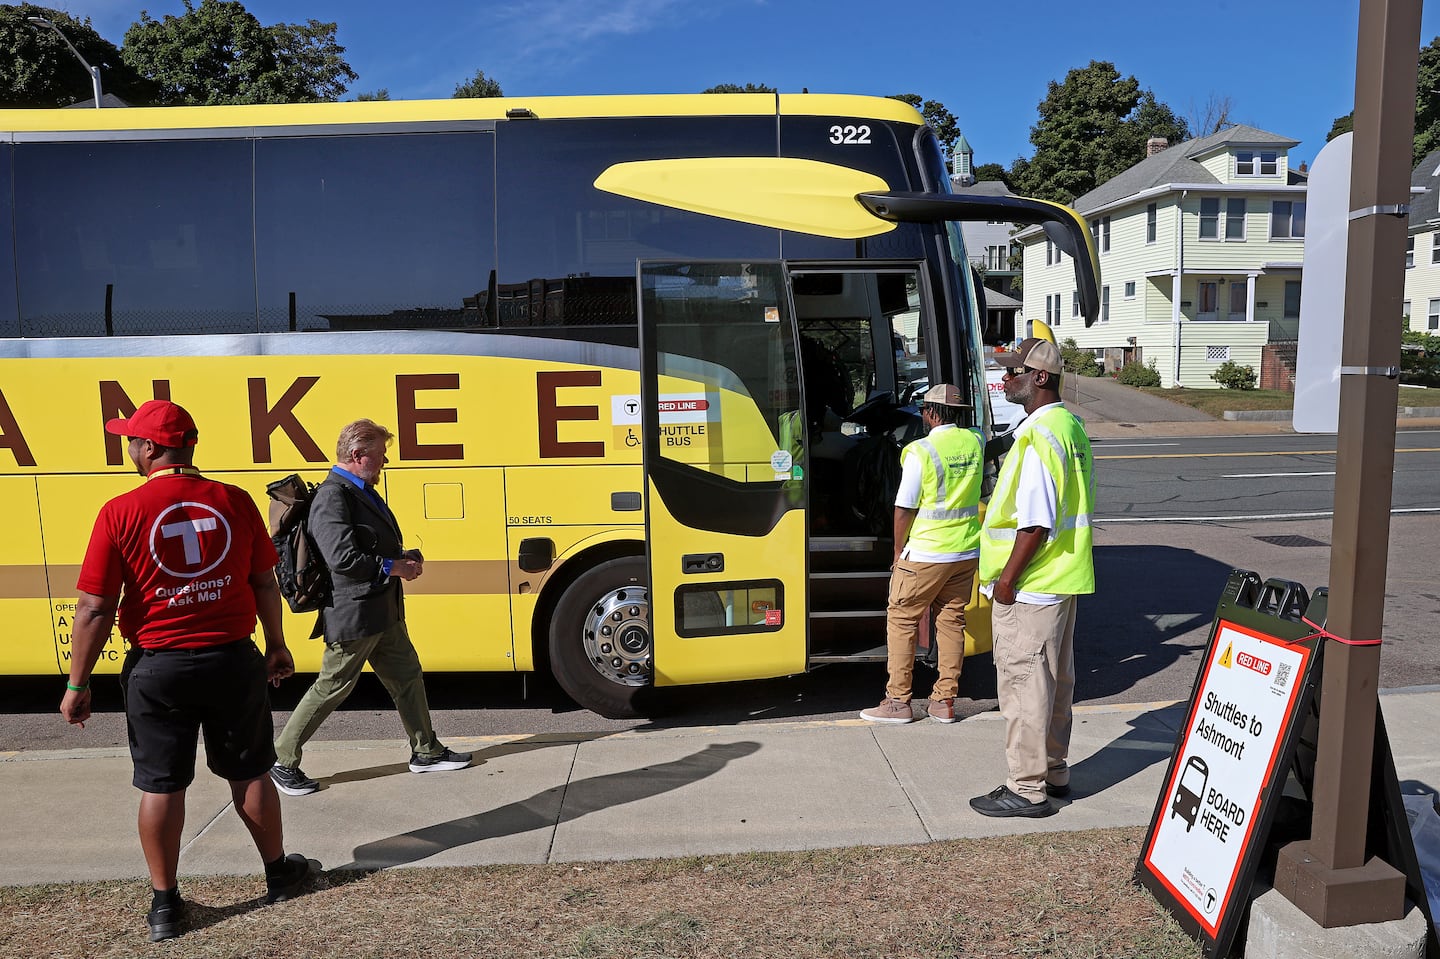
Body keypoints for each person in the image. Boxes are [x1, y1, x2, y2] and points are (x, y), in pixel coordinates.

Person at [60, 399, 312, 942]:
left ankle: (166, 906)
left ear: (150, 449)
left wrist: (78, 683)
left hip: (158, 667)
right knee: (249, 770)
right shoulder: (236, 501)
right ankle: (278, 873)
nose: (127, 448)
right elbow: (265, 583)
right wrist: (275, 644)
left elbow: (95, 608)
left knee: (160, 785)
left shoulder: (119, 512)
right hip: (231, 658)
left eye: (131, 440)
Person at [270, 419, 471, 796]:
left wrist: (400, 555)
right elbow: (341, 557)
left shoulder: (358, 490)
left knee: (407, 676)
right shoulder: (334, 495)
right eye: (379, 454)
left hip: (381, 611)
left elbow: (365, 544)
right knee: (332, 686)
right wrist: (393, 566)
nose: (385, 460)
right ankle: (281, 759)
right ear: (358, 455)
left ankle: (426, 750)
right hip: (355, 614)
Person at [968, 338, 1095, 818]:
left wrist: (1005, 582)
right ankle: (1054, 772)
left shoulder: (1039, 436)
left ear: (1040, 377)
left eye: (1014, 371)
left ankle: (1026, 788)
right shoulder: (1071, 428)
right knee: (1056, 682)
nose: (1005, 379)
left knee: (1024, 685)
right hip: (1062, 578)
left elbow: (1035, 522)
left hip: (1031, 585)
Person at [860, 384, 984, 724]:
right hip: (964, 551)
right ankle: (944, 701)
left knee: (902, 620)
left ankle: (898, 701)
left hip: (926, 553)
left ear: (929, 413)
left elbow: (904, 507)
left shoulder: (921, 451)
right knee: (951, 622)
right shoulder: (975, 442)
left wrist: (898, 550)